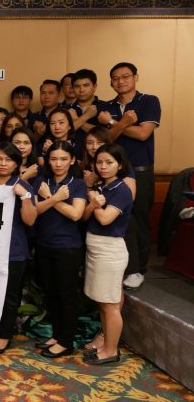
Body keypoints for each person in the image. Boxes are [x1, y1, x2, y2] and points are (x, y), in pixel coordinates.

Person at [97, 62, 160, 289]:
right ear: (111, 82)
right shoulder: (106, 107)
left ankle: (139, 269)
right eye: (115, 78)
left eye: (125, 77)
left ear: (135, 78)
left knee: (138, 220)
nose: (120, 81)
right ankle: (122, 267)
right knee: (113, 220)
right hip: (110, 174)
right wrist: (123, 122)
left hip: (140, 172)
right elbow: (106, 140)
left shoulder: (149, 101)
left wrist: (112, 123)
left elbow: (143, 134)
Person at [32, 141, 87, 358]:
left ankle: (66, 341)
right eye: (54, 159)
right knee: (51, 293)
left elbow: (76, 214)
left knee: (67, 295)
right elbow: (34, 211)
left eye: (63, 159)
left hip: (67, 247)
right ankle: (57, 335)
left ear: (72, 160)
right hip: (43, 244)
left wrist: (49, 199)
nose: (58, 163)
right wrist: (54, 198)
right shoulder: (41, 181)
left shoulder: (78, 184)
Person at [81, 143, 133, 365]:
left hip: (110, 250)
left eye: (109, 163)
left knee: (111, 304)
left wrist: (94, 201)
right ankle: (105, 345)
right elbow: (85, 217)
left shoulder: (122, 189)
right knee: (102, 303)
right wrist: (93, 199)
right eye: (99, 162)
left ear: (119, 165)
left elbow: (104, 219)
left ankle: (111, 351)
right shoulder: (102, 186)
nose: (103, 167)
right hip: (95, 248)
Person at [0, 142, 37, 355]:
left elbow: (30, 220)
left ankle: (4, 335)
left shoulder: (23, 186)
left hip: (13, 250)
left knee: (10, 295)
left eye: (8, 160)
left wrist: (24, 196)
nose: (3, 163)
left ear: (16, 163)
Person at [68, 69, 105, 154]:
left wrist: (76, 119)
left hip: (99, 156)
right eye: (77, 86)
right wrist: (86, 116)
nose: (81, 90)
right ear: (73, 88)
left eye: (86, 85)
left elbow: (104, 135)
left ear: (94, 86)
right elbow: (61, 133)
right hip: (70, 157)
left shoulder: (106, 106)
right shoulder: (66, 109)